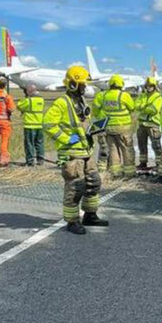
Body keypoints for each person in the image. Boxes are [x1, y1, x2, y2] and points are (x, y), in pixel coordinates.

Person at [43, 65, 108, 235]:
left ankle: (90, 215)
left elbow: (82, 123)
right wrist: (66, 139)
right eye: (82, 84)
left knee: (93, 183)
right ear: (73, 84)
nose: (84, 87)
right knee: (75, 187)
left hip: (86, 151)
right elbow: (48, 124)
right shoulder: (61, 103)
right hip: (72, 154)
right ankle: (72, 221)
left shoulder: (81, 101)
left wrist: (94, 129)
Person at [93, 74, 136, 178]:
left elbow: (95, 110)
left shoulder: (104, 95)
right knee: (127, 150)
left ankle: (116, 173)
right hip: (123, 128)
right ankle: (129, 173)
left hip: (109, 128)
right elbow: (132, 107)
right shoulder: (124, 95)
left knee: (113, 151)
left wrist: (100, 118)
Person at [135, 76, 162, 170]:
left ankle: (159, 164)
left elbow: (153, 110)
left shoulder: (158, 97)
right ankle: (143, 163)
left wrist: (142, 107)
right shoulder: (142, 96)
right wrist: (146, 106)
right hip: (142, 124)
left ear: (154, 86)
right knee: (142, 145)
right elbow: (136, 106)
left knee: (156, 145)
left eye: (151, 85)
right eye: (147, 85)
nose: (149, 87)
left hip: (153, 124)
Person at [16, 83, 46, 166]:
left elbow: (19, 106)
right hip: (39, 125)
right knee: (39, 143)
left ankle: (30, 160)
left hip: (30, 125)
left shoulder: (28, 100)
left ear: (28, 91)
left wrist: (25, 98)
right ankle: (40, 159)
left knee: (29, 143)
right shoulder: (41, 100)